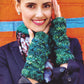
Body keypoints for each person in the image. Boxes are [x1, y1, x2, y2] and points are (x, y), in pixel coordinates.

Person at [0, 0, 84, 84]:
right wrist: (35, 62)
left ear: (52, 8)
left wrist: (61, 47)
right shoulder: (4, 55)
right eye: (30, 6)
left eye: (46, 6)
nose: (40, 14)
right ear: (18, 7)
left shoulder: (71, 45)